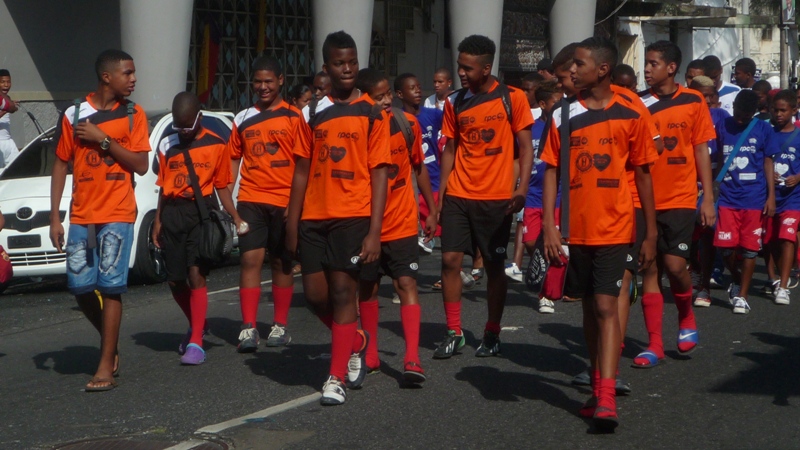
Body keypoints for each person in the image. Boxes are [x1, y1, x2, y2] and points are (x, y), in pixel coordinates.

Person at [541, 37, 658, 431]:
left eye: (579, 64)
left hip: (617, 226)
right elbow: (551, 169)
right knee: (590, 309)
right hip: (575, 232)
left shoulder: (632, 110)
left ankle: (607, 397)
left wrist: (650, 232)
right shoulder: (563, 113)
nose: (572, 70)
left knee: (607, 306)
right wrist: (550, 225)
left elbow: (643, 174)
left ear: (603, 70)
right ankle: (596, 387)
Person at [285, 30, 390, 406]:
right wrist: (292, 224)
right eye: (339, 63)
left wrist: (374, 231)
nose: (347, 69)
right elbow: (300, 171)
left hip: (354, 216)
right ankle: (355, 340)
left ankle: (335, 376)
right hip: (313, 218)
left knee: (345, 292)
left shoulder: (372, 112)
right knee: (315, 296)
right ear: (326, 67)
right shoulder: (311, 112)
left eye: (352, 62)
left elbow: (380, 173)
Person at [49, 49, 150, 391]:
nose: (133, 79)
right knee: (80, 286)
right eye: (127, 73)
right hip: (82, 213)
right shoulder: (75, 113)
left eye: (133, 73)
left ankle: (105, 364)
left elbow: (140, 165)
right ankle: (110, 342)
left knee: (110, 286)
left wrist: (103, 140)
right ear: (107, 77)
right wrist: (56, 217)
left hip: (118, 211)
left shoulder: (134, 114)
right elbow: (61, 163)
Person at [433, 34, 534, 359]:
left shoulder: (512, 98)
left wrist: (521, 189)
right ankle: (454, 331)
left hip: (496, 198)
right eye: (459, 66)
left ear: (486, 68)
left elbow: (526, 148)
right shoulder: (455, 102)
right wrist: (441, 194)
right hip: (458, 194)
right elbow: (450, 148)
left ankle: (492, 331)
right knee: (450, 260)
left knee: (493, 266)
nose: (461, 73)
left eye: (467, 68)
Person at [632, 41, 716, 369]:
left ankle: (686, 315)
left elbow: (701, 150)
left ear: (671, 67)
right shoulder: (638, 102)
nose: (646, 69)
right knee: (649, 267)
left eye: (653, 63)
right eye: (646, 63)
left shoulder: (694, 100)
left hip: (681, 196)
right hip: (643, 199)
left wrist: (708, 199)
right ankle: (654, 344)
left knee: (676, 266)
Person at [356, 69, 438, 382]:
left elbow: (419, 168)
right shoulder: (359, 128)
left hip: (402, 222)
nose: (386, 101)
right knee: (368, 288)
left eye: (388, 94)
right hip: (367, 226)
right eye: (379, 98)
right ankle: (371, 354)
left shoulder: (408, 124)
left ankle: (412, 358)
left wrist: (431, 210)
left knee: (406, 284)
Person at [225, 56, 308, 352]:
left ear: (281, 81)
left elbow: (303, 164)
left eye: (269, 81)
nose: (263, 87)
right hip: (251, 199)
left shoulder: (295, 117)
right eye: (258, 81)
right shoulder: (242, 118)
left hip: (285, 201)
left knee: (281, 262)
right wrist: (226, 200)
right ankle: (248, 327)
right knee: (250, 260)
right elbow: (233, 160)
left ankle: (280, 326)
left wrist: (296, 206)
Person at [152, 92, 235, 365]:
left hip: (201, 213)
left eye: (188, 126)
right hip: (173, 213)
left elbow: (222, 186)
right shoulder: (166, 144)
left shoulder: (217, 143)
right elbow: (163, 186)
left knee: (196, 274)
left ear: (200, 117)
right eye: (179, 127)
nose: (183, 132)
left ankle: (197, 341)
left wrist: (234, 216)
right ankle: (198, 322)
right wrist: (158, 220)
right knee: (175, 280)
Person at [714, 90, 777, 314]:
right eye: (739, 114)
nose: (741, 119)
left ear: (754, 113)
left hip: (754, 198)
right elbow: (718, 158)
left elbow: (768, 163)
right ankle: (737, 277)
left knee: (750, 250)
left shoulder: (763, 129)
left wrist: (771, 196)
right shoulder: (723, 125)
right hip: (727, 198)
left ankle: (742, 295)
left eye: (746, 116)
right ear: (734, 107)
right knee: (725, 247)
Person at [688, 75, 731, 306]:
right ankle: (694, 269)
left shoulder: (721, 116)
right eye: (700, 96)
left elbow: (726, 149)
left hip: (711, 183)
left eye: (709, 96)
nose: (705, 101)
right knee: (688, 236)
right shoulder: (683, 114)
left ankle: (706, 284)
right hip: (684, 183)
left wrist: (715, 183)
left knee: (707, 232)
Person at [522, 79, 562, 313]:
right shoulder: (532, 129)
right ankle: (546, 274)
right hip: (532, 196)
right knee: (530, 242)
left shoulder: (562, 126)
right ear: (543, 104)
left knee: (554, 244)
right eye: (556, 101)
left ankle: (546, 293)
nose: (560, 105)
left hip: (555, 198)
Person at [765, 89, 800, 305]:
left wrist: (798, 177)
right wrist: (769, 175)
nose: (778, 114)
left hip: (793, 198)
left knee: (787, 237)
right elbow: (760, 161)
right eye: (775, 110)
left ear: (794, 110)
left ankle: (784, 287)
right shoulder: (766, 133)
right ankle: (773, 278)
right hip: (769, 197)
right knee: (769, 241)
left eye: (783, 110)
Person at [0, 69, 19, 169]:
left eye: (8, 82)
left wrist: (11, 106)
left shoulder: (8, 98)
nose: (6, 85)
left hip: (9, 141)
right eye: (3, 82)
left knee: (17, 168)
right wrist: (7, 110)